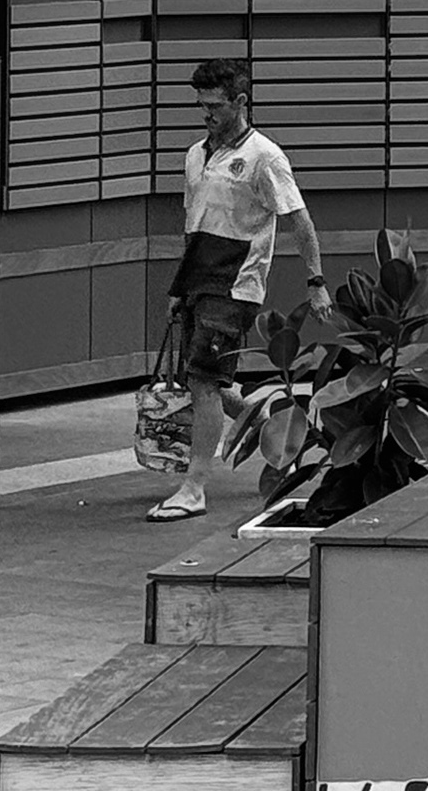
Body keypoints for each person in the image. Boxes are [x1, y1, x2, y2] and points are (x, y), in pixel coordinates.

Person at [150, 59, 322, 523]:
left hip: (235, 285)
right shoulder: (195, 155)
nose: (206, 113)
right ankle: (280, 435)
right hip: (197, 283)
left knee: (205, 381)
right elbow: (194, 225)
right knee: (204, 380)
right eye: (201, 105)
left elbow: (300, 221)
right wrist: (177, 288)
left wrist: (316, 282)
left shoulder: (266, 157)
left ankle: (194, 488)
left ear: (241, 102)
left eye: (215, 105)